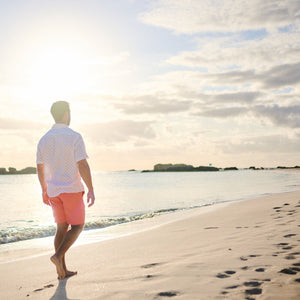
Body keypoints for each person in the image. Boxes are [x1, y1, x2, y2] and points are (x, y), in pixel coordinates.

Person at [36, 101, 95, 280]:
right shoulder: (74, 136)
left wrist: (44, 189)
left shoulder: (44, 139)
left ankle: (62, 270)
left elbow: (40, 167)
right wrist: (91, 188)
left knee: (61, 228)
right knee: (77, 226)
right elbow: (82, 164)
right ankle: (57, 256)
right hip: (71, 189)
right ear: (66, 114)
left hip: (53, 190)